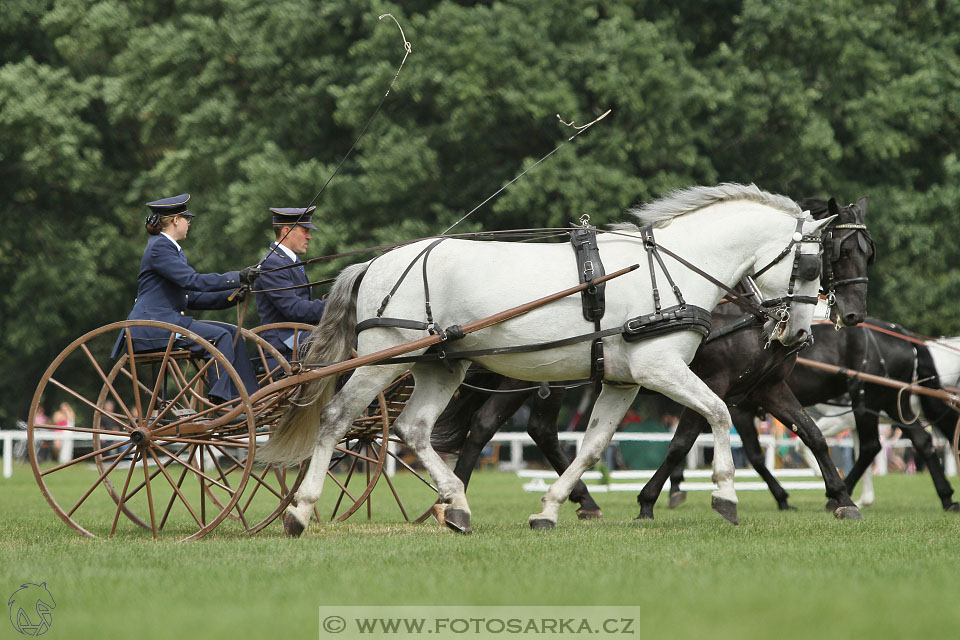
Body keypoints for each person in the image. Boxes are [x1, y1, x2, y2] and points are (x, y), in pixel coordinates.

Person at [113, 193, 261, 404]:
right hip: (152, 327)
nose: (188, 223)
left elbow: (189, 297)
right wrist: (236, 277)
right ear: (175, 220)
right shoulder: (160, 249)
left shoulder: (170, 249)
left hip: (167, 322)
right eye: (186, 218)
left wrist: (230, 298)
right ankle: (223, 402)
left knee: (231, 332)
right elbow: (193, 281)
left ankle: (250, 397)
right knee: (219, 337)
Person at [254, 207, 326, 364]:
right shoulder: (272, 263)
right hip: (284, 339)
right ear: (287, 231)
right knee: (342, 339)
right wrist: (335, 305)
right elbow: (294, 309)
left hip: (299, 333)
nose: (309, 237)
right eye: (305, 231)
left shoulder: (288, 261)